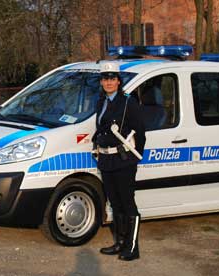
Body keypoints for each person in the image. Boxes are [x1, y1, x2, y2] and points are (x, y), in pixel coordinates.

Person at [92, 62, 146, 261]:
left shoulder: (128, 103)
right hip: (106, 159)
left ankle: (132, 247)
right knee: (115, 204)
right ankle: (119, 243)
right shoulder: (101, 102)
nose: (108, 82)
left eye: (112, 78)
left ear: (118, 81)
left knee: (127, 203)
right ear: (101, 82)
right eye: (105, 78)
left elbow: (140, 132)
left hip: (124, 160)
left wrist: (134, 156)